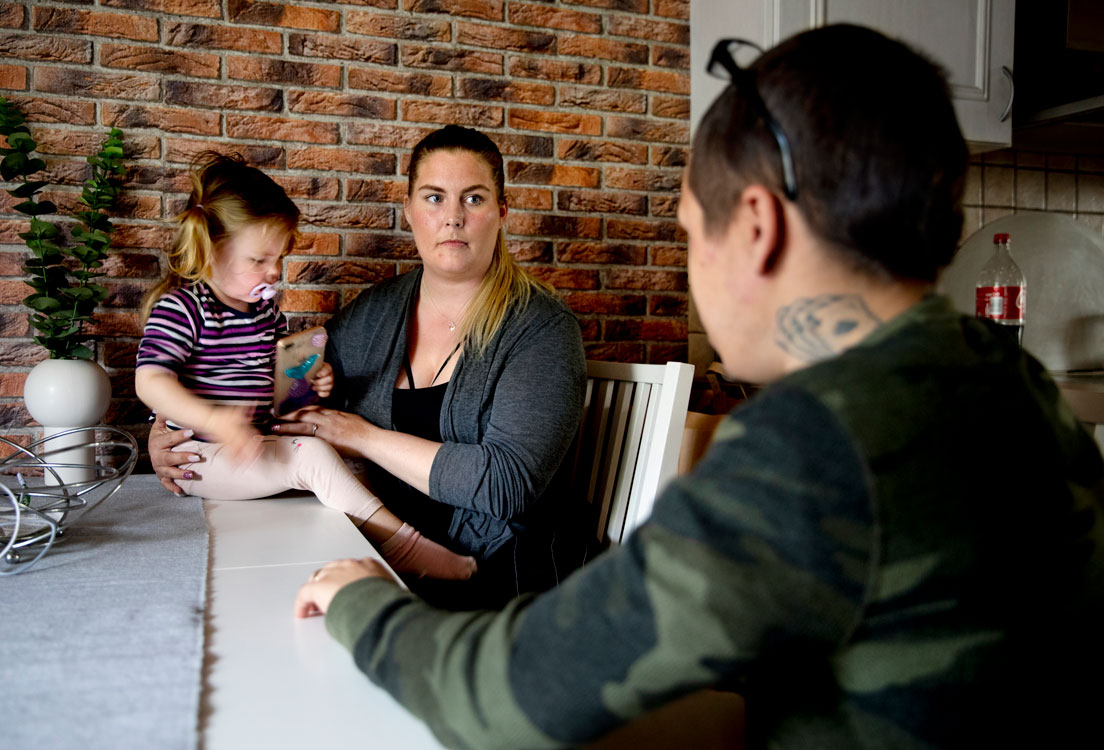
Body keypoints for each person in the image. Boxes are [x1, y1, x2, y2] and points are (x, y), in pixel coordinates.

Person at [291, 24, 1104, 749]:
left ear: (757, 225)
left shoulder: (815, 439)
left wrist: (365, 601)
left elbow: (506, 702)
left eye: (688, 232)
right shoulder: (1010, 379)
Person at [150, 129, 589, 609]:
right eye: (435, 197)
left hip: (499, 578)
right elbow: (284, 388)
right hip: (373, 556)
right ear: (409, 211)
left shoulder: (541, 328)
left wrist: (360, 435)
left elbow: (507, 487)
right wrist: (172, 429)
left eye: (474, 198)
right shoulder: (380, 310)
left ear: (501, 213)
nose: (453, 218)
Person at [136, 152, 475, 581]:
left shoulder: (266, 317)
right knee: (311, 456)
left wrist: (311, 381)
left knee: (322, 458)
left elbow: (282, 402)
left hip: (246, 450)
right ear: (210, 251)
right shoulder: (183, 309)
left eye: (279, 257)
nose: (273, 271)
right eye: (258, 260)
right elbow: (150, 381)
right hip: (197, 456)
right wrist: (216, 421)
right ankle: (403, 546)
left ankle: (385, 552)